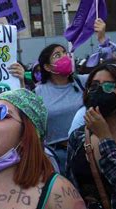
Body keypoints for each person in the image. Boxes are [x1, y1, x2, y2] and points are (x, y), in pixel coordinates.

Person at [35, 19, 111, 174]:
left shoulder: (82, 82)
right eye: (57, 55)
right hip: (58, 156)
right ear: (47, 67)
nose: (64, 57)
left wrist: (103, 40)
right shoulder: (38, 92)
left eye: (64, 53)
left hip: (88, 150)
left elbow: (109, 71)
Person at [66, 64, 116, 209]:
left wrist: (105, 138)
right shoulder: (78, 137)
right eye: (94, 86)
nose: (100, 91)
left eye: (109, 86)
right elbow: (71, 187)